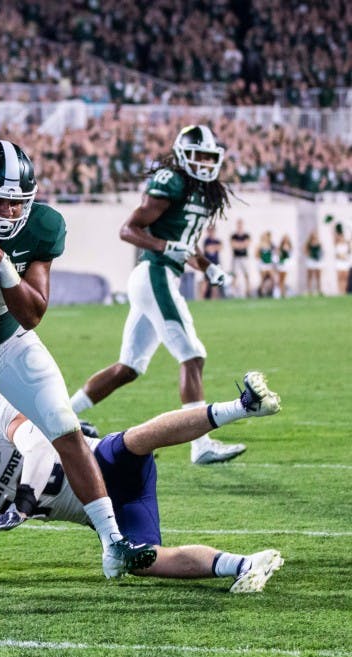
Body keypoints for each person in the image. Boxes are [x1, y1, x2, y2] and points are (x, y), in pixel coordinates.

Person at [0, 139, 156, 577]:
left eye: (16, 204)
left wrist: (1, 263)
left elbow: (34, 312)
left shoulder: (43, 224)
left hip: (11, 341)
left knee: (65, 426)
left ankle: (113, 542)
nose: (8, 213)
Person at [0, 372, 283, 592]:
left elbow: (36, 445)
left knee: (137, 439)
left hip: (100, 463)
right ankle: (245, 564)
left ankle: (241, 407)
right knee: (143, 561)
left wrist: (25, 502)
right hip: (108, 517)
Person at [69, 125, 241, 465]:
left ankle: (63, 417)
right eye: (198, 156)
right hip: (155, 274)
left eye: (210, 157)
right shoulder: (171, 181)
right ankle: (201, 444)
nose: (205, 163)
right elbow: (128, 230)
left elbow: (185, 245)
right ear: (182, 156)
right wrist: (164, 246)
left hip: (163, 276)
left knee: (128, 368)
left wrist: (206, 266)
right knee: (192, 355)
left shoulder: (203, 192)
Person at [201, 227, 226, 299]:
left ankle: (213, 298)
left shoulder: (218, 241)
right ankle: (201, 298)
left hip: (216, 264)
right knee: (205, 281)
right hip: (207, 264)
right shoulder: (206, 241)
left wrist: (213, 247)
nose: (211, 232)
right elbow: (208, 249)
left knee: (215, 282)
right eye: (210, 231)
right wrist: (215, 247)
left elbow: (221, 247)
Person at [229, 218, 251, 297]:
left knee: (246, 274)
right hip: (236, 258)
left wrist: (239, 245)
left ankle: (248, 291)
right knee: (234, 275)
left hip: (244, 258)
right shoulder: (233, 236)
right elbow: (233, 245)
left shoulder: (246, 235)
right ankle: (233, 292)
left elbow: (246, 244)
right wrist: (241, 245)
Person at [256, 231, 276, 298]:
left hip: (269, 264)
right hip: (263, 264)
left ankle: (270, 292)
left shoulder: (270, 245)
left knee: (272, 278)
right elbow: (256, 255)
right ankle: (260, 292)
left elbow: (275, 253)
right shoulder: (260, 245)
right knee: (263, 279)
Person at [304, 230, 323, 296]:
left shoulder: (319, 243)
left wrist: (318, 256)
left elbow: (321, 251)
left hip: (317, 261)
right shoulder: (308, 244)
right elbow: (305, 251)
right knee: (310, 276)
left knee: (318, 276)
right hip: (311, 261)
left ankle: (319, 290)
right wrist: (311, 254)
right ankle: (309, 290)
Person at [334, 223, 351, 295]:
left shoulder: (347, 243)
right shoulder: (336, 243)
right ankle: (340, 291)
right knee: (339, 277)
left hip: (346, 262)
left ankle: (344, 291)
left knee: (345, 278)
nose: (341, 237)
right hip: (339, 262)